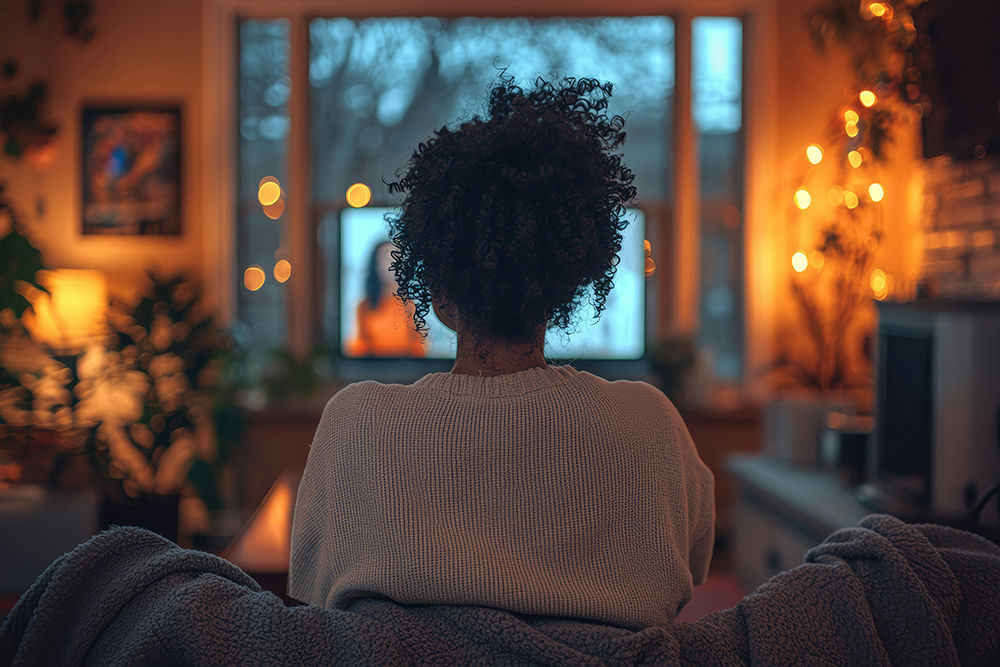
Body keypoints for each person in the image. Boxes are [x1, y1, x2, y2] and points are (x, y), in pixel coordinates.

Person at [289, 75, 715, 630]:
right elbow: (695, 564)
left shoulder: (354, 423)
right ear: (568, 282)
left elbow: (311, 595)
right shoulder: (652, 422)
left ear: (437, 294)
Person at [345, 239, 426, 357]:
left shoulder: (410, 304)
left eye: (395, 259)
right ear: (375, 265)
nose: (391, 265)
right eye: (385, 259)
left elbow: (419, 349)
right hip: (372, 369)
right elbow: (357, 349)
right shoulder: (363, 306)